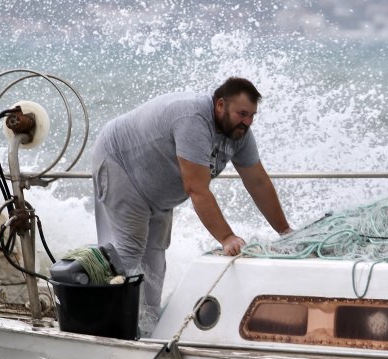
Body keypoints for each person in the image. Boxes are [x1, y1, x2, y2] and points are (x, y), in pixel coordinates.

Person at [91, 77, 291, 334]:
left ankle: (146, 330)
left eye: (252, 116)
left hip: (157, 189)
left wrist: (285, 231)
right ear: (220, 105)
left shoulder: (239, 134)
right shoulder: (194, 120)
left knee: (154, 258)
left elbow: (259, 183)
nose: (248, 122)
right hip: (120, 163)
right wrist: (227, 237)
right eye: (242, 114)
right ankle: (111, 330)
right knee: (129, 252)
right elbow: (196, 189)